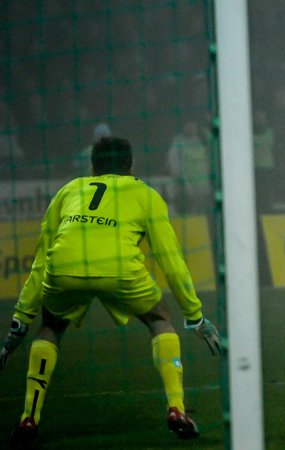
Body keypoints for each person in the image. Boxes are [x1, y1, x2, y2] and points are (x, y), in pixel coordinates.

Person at [0, 137, 222, 447]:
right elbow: (171, 261)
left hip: (65, 268)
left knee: (50, 326)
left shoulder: (70, 189)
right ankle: (176, 409)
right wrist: (195, 316)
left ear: (93, 166)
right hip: (119, 269)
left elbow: (41, 259)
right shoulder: (145, 194)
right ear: (131, 165)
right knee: (160, 318)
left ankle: (29, 417)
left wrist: (20, 319)